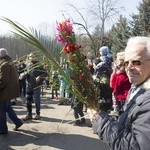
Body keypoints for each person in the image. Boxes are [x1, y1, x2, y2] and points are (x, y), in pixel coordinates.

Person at [92, 36, 150, 150]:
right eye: (126, 63)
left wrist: (101, 122)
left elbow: (135, 146)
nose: (129, 67)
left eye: (136, 62)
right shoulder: (137, 86)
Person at [0, 48, 23, 135]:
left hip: (5, 92)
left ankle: (3, 130)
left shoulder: (4, 65)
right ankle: (18, 122)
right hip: (10, 91)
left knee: (1, 112)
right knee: (8, 109)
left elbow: (3, 81)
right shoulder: (10, 62)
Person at [22, 53, 47, 121]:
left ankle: (37, 114)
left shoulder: (39, 65)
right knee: (28, 100)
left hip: (36, 86)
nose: (31, 59)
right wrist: (23, 75)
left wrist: (39, 77)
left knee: (37, 100)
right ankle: (29, 114)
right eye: (30, 58)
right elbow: (27, 73)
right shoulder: (28, 64)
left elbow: (45, 73)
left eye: (32, 58)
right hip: (28, 84)